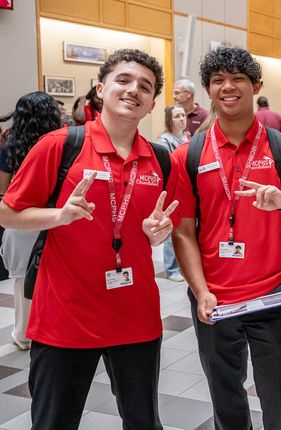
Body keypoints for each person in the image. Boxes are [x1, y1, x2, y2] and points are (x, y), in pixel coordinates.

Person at [0, 49, 176, 430]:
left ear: (151, 104)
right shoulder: (60, 145)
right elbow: (7, 211)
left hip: (135, 318)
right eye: (124, 80)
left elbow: (161, 223)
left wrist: (158, 231)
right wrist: (58, 216)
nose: (133, 90)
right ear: (101, 89)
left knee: (144, 422)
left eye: (144, 86)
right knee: (53, 423)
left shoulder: (161, 160)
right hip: (65, 318)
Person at [169, 46, 281, 429]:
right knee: (225, 397)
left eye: (237, 78)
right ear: (208, 90)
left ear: (255, 84)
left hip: (272, 293)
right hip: (214, 298)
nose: (228, 87)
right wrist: (200, 289)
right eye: (218, 80)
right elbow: (183, 231)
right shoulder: (188, 155)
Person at [0, 92, 62, 351]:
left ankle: (23, 334)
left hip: (20, 219)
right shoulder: (63, 144)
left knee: (21, 278)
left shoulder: (10, 147)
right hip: (54, 218)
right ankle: (51, 329)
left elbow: (3, 190)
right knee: (55, 277)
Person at [156, 105, 189, 283]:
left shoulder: (187, 137)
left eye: (183, 115)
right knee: (171, 226)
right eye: (177, 116)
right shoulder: (164, 141)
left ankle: (183, 265)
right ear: (170, 119)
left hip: (186, 188)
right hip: (171, 188)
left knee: (183, 227)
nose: (182, 119)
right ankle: (171, 268)